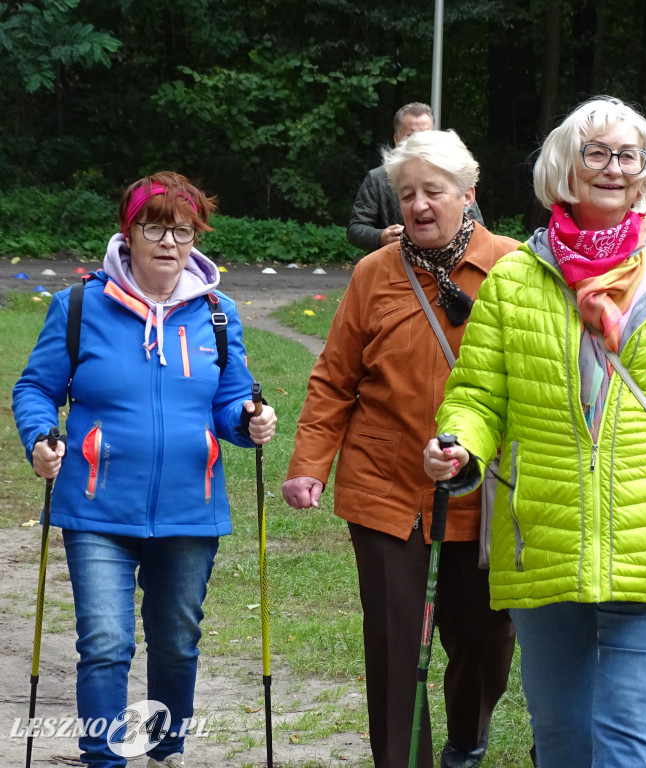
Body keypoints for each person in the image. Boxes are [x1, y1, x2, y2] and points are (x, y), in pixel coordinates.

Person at [423, 96, 646, 768]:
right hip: (544, 536)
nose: (612, 168)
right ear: (565, 166)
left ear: (645, 174)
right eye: (597, 153)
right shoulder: (516, 279)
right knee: (563, 741)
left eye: (627, 156)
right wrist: (459, 447)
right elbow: (478, 395)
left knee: (626, 743)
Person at [12, 171, 278, 768]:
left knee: (178, 644)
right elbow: (35, 388)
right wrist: (39, 438)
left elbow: (230, 399)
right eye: (154, 227)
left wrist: (248, 421)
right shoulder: (79, 305)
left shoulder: (217, 313)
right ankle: (103, 760)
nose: (168, 242)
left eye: (182, 231)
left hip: (190, 507)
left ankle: (166, 752)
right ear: (128, 233)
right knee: (106, 644)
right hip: (98, 506)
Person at [282, 129, 518, 768]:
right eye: (405, 193)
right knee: (393, 644)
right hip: (385, 489)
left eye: (432, 192)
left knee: (483, 638)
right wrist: (309, 465)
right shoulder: (374, 274)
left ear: (467, 193)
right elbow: (334, 377)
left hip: (484, 493)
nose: (416, 205)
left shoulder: (515, 269)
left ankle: (466, 740)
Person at [347, 101, 485, 253]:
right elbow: (355, 229)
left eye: (433, 191)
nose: (419, 206)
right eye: (407, 195)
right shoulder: (377, 179)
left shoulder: (452, 173)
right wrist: (380, 237)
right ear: (396, 139)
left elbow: (477, 225)